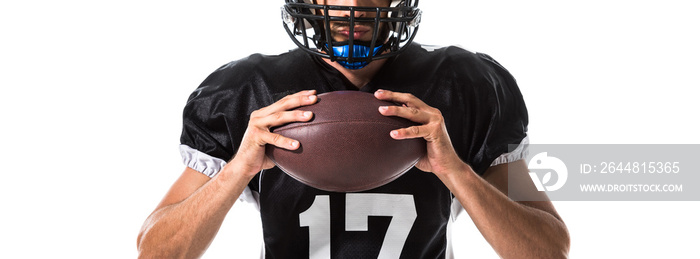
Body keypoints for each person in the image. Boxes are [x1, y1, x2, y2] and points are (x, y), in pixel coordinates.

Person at [137, 0, 570, 258]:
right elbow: (155, 251)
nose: (352, 6)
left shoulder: (465, 85)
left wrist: (455, 170)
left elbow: (548, 250)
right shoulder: (247, 92)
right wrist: (238, 170)